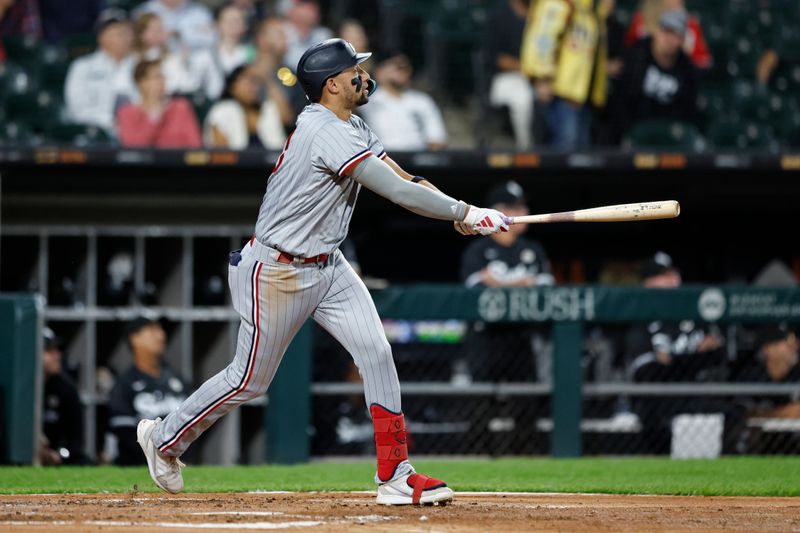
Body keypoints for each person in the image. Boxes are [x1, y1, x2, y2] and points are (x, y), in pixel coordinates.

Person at [136, 37, 509, 505]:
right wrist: (466, 210)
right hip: (277, 270)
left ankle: (394, 473)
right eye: (355, 69)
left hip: (328, 265)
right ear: (333, 84)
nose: (364, 75)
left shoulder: (351, 123)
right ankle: (164, 439)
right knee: (249, 381)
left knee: (376, 351)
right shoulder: (323, 130)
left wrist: (463, 214)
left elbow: (407, 179)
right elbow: (396, 192)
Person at [626, 251, 733, 454]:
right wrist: (693, 358)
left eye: (673, 273)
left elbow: (718, 356)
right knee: (654, 415)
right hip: (658, 403)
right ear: (648, 282)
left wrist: (672, 360)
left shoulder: (692, 315)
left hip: (695, 394)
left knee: (734, 412)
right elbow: (647, 373)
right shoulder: (639, 319)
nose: (673, 280)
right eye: (664, 275)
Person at [458, 180, 554, 383]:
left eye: (522, 206)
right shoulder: (478, 250)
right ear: (498, 211)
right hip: (486, 333)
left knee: (526, 401)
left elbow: (546, 286)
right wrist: (523, 282)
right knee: (482, 399)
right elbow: (473, 289)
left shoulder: (533, 249)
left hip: (523, 332)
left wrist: (499, 283)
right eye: (515, 208)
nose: (524, 211)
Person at [520, 0, 611, 150]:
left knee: (579, 153)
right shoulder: (562, 3)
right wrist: (542, 78)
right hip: (559, 93)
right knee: (562, 151)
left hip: (582, 96)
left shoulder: (591, 10)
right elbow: (543, 38)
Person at [109, 317, 189, 465]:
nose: (161, 336)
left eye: (160, 330)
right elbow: (124, 433)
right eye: (152, 331)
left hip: (178, 464)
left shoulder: (177, 379)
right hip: (138, 465)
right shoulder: (124, 384)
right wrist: (159, 456)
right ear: (135, 339)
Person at [612, 8, 699, 140]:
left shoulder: (686, 67)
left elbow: (688, 108)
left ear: (681, 40)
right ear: (657, 31)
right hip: (636, 126)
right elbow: (623, 98)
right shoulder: (637, 54)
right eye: (667, 31)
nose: (669, 39)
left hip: (671, 132)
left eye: (676, 35)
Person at [63, 9, 137, 133]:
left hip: (138, 133)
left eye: (127, 32)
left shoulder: (140, 64)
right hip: (97, 134)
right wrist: (110, 123)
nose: (125, 37)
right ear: (102, 37)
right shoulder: (83, 67)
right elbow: (77, 108)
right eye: (119, 33)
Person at [359, 51, 448, 151]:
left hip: (416, 161)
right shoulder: (367, 100)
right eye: (399, 67)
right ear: (380, 72)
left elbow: (436, 139)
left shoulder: (422, 101)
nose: (405, 72)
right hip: (380, 160)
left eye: (407, 68)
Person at [482, 0, 534, 150]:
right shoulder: (498, 14)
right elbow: (493, 57)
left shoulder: (540, 14)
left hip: (537, 77)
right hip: (504, 78)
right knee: (522, 98)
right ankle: (525, 150)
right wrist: (528, 69)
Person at [116, 59, 203, 148]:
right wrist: (154, 113)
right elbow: (132, 146)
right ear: (142, 83)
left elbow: (195, 144)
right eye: (157, 77)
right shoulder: (127, 113)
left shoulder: (181, 108)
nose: (162, 81)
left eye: (163, 77)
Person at [203, 64, 287, 149]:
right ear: (232, 86)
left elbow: (287, 118)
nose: (254, 87)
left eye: (257, 82)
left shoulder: (268, 110)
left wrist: (268, 79)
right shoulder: (221, 111)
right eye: (249, 81)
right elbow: (221, 155)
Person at [39, 327, 90, 465]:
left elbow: (75, 441)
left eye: (56, 350)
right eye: (49, 351)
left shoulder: (66, 389)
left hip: (57, 456)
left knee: (85, 462)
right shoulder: (15, 390)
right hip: (21, 456)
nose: (57, 355)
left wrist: (59, 455)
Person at [624, 0, 711, 69]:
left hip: (679, 78)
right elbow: (628, 52)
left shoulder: (691, 25)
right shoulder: (640, 20)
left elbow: (704, 62)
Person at [251, 16, 305, 126]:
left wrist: (267, 80)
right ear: (262, 39)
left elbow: (288, 117)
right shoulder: (243, 73)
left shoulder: (293, 76)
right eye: (280, 35)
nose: (286, 39)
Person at [132, 12, 198, 96]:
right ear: (141, 34)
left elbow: (186, 84)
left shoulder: (171, 57)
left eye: (160, 28)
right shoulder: (133, 58)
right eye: (153, 29)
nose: (159, 32)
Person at [133, 0, 215, 52]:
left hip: (195, 65)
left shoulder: (200, 12)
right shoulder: (143, 11)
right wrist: (194, 32)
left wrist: (178, 34)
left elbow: (212, 39)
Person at [282, 0, 332, 71]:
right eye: (305, 4)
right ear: (291, 11)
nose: (312, 8)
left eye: (313, 4)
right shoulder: (282, 31)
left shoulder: (323, 34)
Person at [38, 0, 103, 45]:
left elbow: (101, 12)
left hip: (89, 36)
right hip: (59, 39)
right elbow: (46, 17)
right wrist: (56, 40)